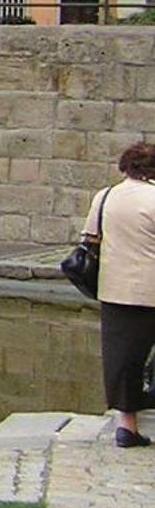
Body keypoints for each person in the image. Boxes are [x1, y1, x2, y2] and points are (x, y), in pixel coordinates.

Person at [85, 141, 155, 447]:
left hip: (115, 289)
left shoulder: (105, 196)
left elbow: (91, 238)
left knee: (123, 358)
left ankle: (127, 426)